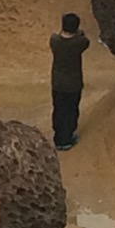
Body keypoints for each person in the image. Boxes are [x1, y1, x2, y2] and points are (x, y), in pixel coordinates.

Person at [50, 13, 90, 151]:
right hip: (73, 83)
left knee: (59, 109)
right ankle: (67, 138)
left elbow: (57, 35)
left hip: (57, 82)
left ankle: (58, 137)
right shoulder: (79, 43)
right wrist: (79, 32)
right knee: (71, 110)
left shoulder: (54, 41)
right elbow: (85, 40)